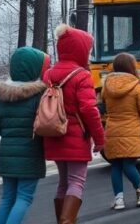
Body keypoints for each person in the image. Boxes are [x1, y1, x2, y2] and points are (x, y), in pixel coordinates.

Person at [43, 24, 106, 224]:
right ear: (79, 49)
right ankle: (67, 221)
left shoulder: (49, 74)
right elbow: (89, 109)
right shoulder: (82, 75)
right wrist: (100, 138)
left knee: (63, 182)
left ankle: (62, 220)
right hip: (76, 136)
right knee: (76, 182)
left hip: (53, 133)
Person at [0, 47, 51, 224]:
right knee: (24, 197)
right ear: (34, 69)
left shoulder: (3, 95)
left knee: (7, 198)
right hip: (31, 154)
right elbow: (45, 124)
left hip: (7, 156)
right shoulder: (39, 95)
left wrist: (10, 134)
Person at [102, 52, 140, 210]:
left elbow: (104, 106)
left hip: (112, 130)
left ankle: (119, 199)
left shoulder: (106, 86)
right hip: (132, 130)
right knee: (129, 164)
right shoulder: (137, 87)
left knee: (116, 165)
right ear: (131, 67)